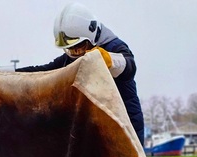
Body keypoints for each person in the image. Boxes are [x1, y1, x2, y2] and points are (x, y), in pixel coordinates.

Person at [16, 2, 145, 146]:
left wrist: (109, 60)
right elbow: (42, 71)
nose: (76, 53)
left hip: (125, 123)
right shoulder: (72, 59)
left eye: (79, 47)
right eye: (71, 49)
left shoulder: (114, 47)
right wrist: (1, 73)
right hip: (95, 125)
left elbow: (129, 66)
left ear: (92, 34)